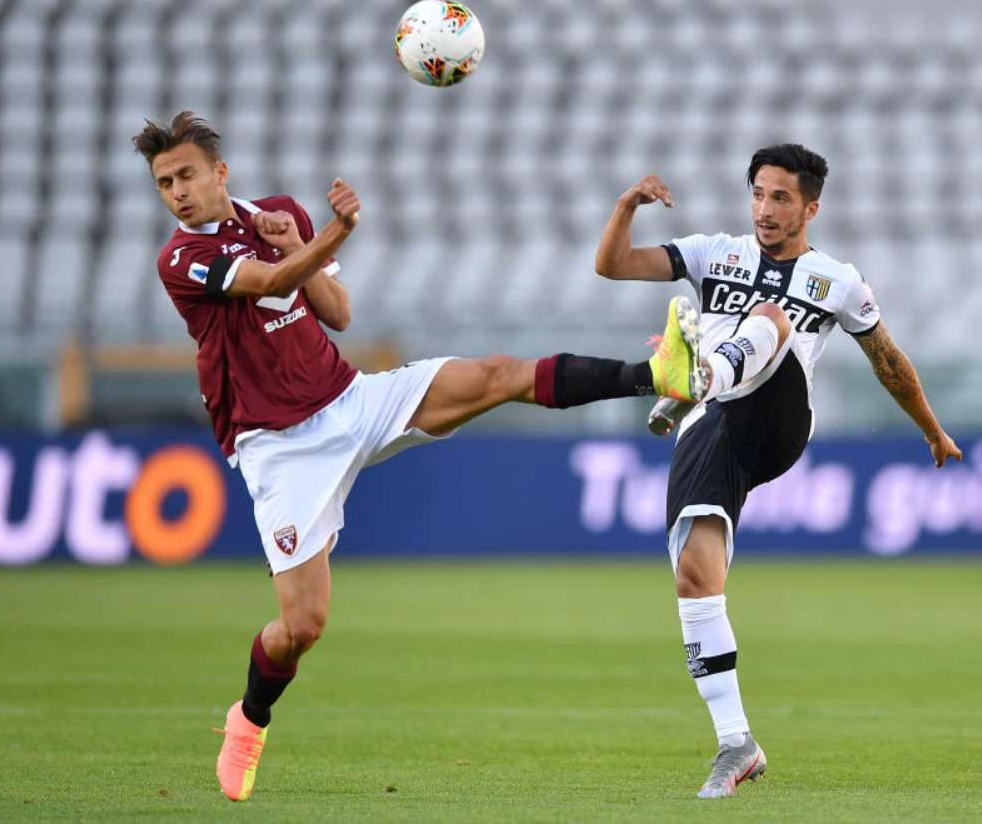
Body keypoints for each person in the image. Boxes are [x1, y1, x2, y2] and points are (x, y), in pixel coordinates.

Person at [133, 111, 712, 802]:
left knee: (497, 375)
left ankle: (657, 376)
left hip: (351, 400)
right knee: (302, 627)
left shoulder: (278, 212)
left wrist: (301, 239)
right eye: (165, 183)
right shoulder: (180, 258)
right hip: (279, 448)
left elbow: (338, 312)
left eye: (187, 175)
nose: (177, 192)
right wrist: (333, 233)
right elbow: (267, 283)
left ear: (219, 172)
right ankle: (250, 717)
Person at [593, 143, 963, 798]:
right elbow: (613, 264)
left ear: (811, 206)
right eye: (758, 194)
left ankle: (695, 370)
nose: (765, 209)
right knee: (693, 578)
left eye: (781, 197)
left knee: (768, 317)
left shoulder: (837, 280)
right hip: (714, 428)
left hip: (777, 421)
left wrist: (931, 429)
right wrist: (626, 206)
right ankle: (736, 743)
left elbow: (889, 362)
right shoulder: (715, 253)